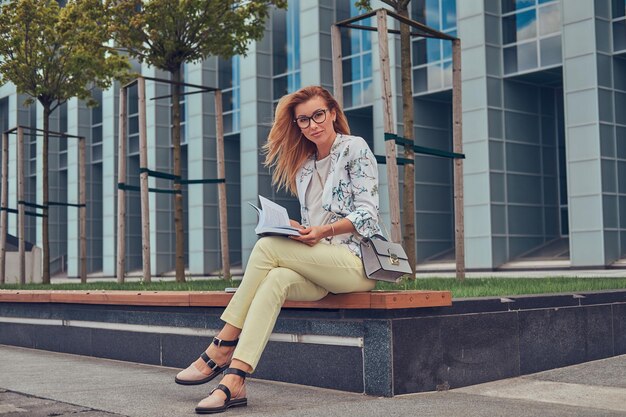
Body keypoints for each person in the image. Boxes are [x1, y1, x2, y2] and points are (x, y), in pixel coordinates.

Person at [175, 85, 381, 414]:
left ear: (331, 112)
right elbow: (318, 218)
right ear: (297, 125)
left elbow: (369, 215)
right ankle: (236, 380)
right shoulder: (304, 166)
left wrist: (324, 230)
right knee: (276, 280)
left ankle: (222, 344)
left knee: (268, 246)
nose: (313, 124)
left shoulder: (354, 148)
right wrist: (303, 228)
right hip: (320, 264)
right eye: (303, 120)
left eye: (318, 115)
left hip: (355, 264)